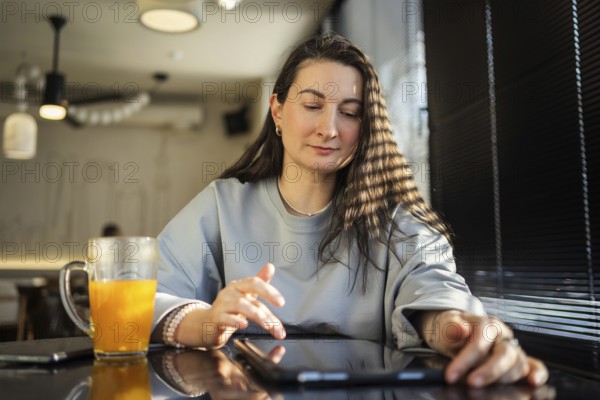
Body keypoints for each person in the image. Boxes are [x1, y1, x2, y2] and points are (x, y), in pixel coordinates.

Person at [151, 32, 548, 388]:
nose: (329, 128)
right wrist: (204, 323)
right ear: (277, 110)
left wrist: (458, 330)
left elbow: (436, 292)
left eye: (350, 111)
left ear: (366, 126)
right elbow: (148, 297)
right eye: (312, 105)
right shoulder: (223, 204)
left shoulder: (395, 223)